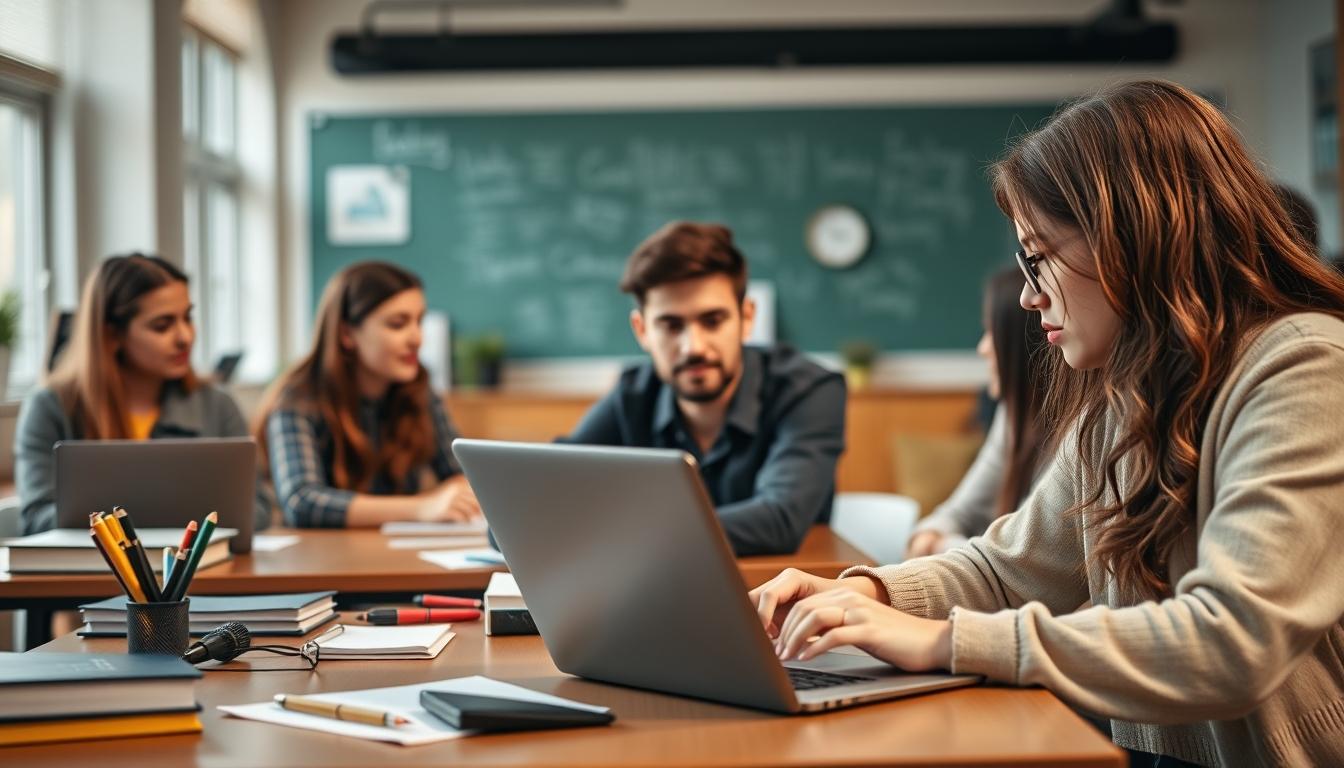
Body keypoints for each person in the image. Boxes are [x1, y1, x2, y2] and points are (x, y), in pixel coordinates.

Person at [749, 80, 1344, 766]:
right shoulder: (1128, 393)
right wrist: (864, 592)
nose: (1029, 296)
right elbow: (1011, 570)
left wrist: (944, 642)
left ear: (1131, 236)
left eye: (1039, 256)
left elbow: (1234, 642)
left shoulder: (1304, 367)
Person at [564, 221, 846, 556]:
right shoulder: (632, 395)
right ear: (642, 331)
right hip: (656, 592)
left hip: (787, 599)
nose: (693, 347)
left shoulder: (810, 390)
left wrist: (628, 534)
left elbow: (779, 520)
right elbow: (540, 502)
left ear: (747, 317)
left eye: (712, 321)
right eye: (671, 325)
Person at [15, 253, 271, 534]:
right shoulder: (51, 407)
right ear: (111, 336)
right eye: (162, 325)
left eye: (188, 317)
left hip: (199, 572)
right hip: (92, 575)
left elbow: (255, 510)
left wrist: (132, 518)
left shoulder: (217, 405)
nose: (185, 336)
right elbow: (36, 519)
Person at [256, 261, 479, 527]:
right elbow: (301, 501)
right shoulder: (298, 400)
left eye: (419, 322)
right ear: (347, 334)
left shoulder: (419, 391)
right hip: (323, 561)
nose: (417, 338)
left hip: (396, 555)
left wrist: (463, 491)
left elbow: (459, 473)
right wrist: (422, 508)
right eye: (398, 324)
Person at [906, 267, 1049, 557]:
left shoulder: (1081, 430)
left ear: (1027, 343)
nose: (982, 348)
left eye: (992, 332)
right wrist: (931, 535)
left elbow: (1027, 560)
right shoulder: (1014, 414)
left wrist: (939, 545)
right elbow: (954, 513)